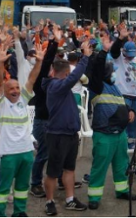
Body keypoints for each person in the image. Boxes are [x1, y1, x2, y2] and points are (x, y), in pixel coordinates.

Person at [0, 42, 44, 217]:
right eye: (11, 88)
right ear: (4, 92)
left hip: (26, 151)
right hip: (9, 153)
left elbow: (32, 79)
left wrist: (39, 62)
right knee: (5, 188)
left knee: (22, 187)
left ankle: (19, 213)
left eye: (16, 88)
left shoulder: (23, 99)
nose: (15, 91)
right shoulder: (0, 103)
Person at [84, 34, 136, 210]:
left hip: (119, 134)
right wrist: (104, 51)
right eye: (112, 70)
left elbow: (121, 104)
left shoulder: (115, 87)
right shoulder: (97, 85)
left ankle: (121, 190)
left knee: (121, 165)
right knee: (99, 167)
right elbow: (97, 69)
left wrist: (130, 111)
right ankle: (94, 197)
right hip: (104, 134)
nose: (114, 72)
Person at [41, 40, 92, 215]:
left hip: (70, 133)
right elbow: (72, 78)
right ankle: (49, 201)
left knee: (69, 168)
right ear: (65, 73)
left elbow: (71, 78)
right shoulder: (55, 86)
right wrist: (85, 57)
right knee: (53, 172)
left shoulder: (61, 86)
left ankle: (70, 199)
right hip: (57, 134)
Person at [29, 25, 61, 199]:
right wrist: (54, 43)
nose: (52, 70)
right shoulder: (40, 82)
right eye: (50, 68)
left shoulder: (55, 82)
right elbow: (47, 62)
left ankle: (61, 179)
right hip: (43, 122)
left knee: (58, 152)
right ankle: (35, 184)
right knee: (43, 154)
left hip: (54, 121)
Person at [110, 25, 136, 149]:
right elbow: (114, 50)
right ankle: (121, 145)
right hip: (123, 95)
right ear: (123, 51)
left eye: (132, 55)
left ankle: (131, 145)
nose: (130, 57)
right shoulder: (119, 57)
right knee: (123, 120)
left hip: (135, 96)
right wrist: (120, 38)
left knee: (133, 122)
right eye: (128, 55)